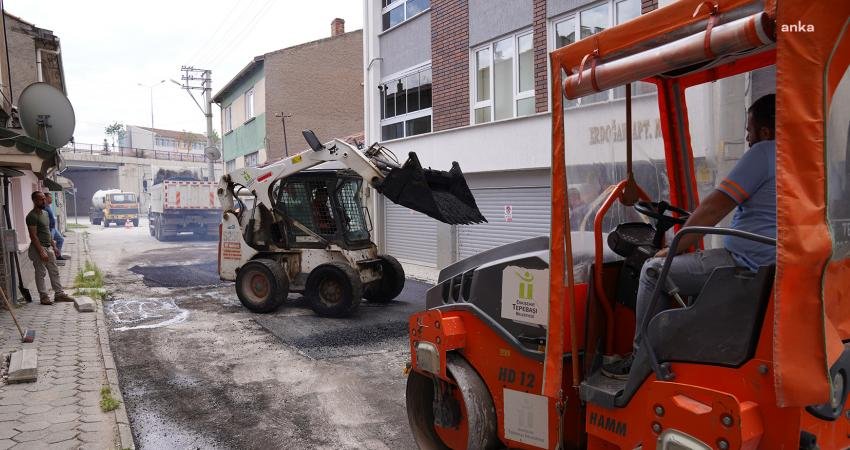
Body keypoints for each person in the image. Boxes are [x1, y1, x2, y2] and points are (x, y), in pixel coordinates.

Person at [603, 94, 776, 379]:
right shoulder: (799, 158)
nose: (747, 139)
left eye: (749, 132)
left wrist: (674, 246)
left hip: (745, 263)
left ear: (765, 132)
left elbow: (714, 207)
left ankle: (641, 361)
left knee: (653, 270)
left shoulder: (764, 152)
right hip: (770, 264)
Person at [26, 191, 75, 305]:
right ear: (34, 201)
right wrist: (41, 251)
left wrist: (54, 246)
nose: (43, 201)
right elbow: (33, 236)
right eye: (40, 199)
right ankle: (44, 297)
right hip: (38, 248)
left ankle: (59, 294)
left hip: (48, 247)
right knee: (41, 273)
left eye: (44, 198)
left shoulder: (45, 213)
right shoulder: (31, 216)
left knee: (54, 271)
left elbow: (47, 231)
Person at [44, 192, 69, 260]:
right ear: (45, 198)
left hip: (53, 228)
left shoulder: (49, 206)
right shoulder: (44, 208)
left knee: (60, 239)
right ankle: (48, 258)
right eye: (50, 197)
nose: (52, 199)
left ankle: (58, 256)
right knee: (49, 244)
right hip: (49, 229)